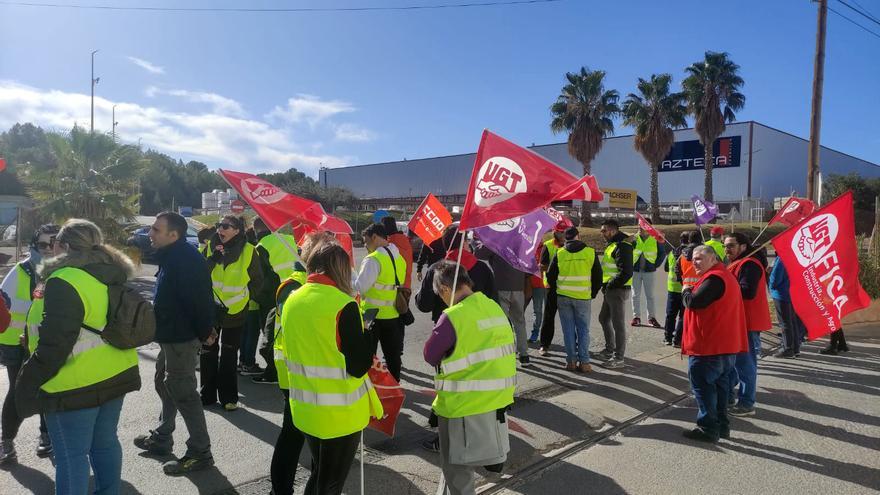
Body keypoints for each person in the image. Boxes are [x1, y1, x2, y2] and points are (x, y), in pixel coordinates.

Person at [16, 219, 141, 494]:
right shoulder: (110, 272)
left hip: (73, 383)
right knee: (105, 443)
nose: (50, 248)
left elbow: (55, 344)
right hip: (116, 373)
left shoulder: (64, 279)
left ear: (63, 246)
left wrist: (27, 382)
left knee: (71, 456)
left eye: (53, 243)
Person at [282, 237, 381, 495]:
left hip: (304, 407)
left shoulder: (292, 298)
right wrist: (367, 335)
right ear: (341, 269)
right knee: (331, 482)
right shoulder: (343, 305)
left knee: (320, 475)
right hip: (339, 414)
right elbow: (359, 366)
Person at [133, 212, 216, 475]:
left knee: (183, 390)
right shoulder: (170, 256)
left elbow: (200, 300)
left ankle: (200, 452)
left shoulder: (186, 259)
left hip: (182, 337)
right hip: (169, 335)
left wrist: (205, 332)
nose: (150, 234)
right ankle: (162, 437)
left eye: (156, 230)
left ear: (174, 235)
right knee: (165, 383)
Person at [424, 261, 515, 495]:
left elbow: (430, 354)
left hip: (461, 407)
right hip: (494, 403)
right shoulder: (492, 306)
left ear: (445, 289)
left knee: (458, 474)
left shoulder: (453, 316)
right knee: (456, 472)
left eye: (439, 294)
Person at [268, 233, 324, 495]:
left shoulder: (317, 284)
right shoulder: (293, 286)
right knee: (292, 434)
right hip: (294, 372)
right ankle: (281, 489)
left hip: (311, 371)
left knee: (310, 434)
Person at [0, 223, 57, 465]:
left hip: (48, 344)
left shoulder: (65, 270)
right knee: (17, 392)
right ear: (34, 246)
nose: (48, 249)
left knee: (49, 390)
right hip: (17, 344)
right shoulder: (21, 271)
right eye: (43, 244)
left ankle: (46, 436)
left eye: (54, 243)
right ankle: (7, 442)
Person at [680, 245, 748, 443]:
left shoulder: (715, 278)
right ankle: (722, 426)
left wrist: (686, 291)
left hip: (709, 347)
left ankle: (708, 428)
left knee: (704, 387)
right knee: (720, 389)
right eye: (693, 258)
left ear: (713, 259)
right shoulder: (723, 276)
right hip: (723, 346)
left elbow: (695, 302)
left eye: (700, 258)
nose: (695, 262)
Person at [202, 215, 263, 411]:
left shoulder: (249, 251)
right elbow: (198, 273)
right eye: (219, 225)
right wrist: (213, 259)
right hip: (210, 310)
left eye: (226, 226)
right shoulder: (210, 247)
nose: (221, 229)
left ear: (237, 230)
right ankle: (207, 394)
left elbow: (258, 281)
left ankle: (229, 398)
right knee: (208, 352)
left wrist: (245, 298)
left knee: (229, 355)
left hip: (235, 312)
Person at [724, 233, 772, 417]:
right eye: (725, 246)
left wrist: (723, 288)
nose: (726, 250)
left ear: (743, 246)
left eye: (730, 246)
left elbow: (747, 291)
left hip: (747, 321)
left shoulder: (750, 264)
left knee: (745, 363)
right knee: (734, 362)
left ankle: (746, 403)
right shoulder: (742, 262)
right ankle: (729, 395)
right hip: (739, 320)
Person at [249, 218, 299, 383]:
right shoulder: (290, 240)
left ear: (256, 231)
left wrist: (259, 298)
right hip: (297, 291)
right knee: (291, 334)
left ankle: (273, 372)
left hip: (273, 297)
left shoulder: (261, 247)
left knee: (271, 335)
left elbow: (260, 278)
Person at [546, 227, 602, 372]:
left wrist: (558, 288)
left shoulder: (560, 253)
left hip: (563, 297)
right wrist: (593, 293)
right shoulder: (590, 252)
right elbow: (598, 277)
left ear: (566, 238)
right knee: (583, 330)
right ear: (578, 236)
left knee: (568, 331)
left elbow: (550, 276)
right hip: (583, 297)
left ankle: (570, 361)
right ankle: (584, 363)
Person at [356, 223, 407, 381]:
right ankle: (394, 389)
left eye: (366, 241)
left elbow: (360, 287)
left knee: (367, 356)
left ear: (375, 237)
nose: (365, 245)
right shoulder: (400, 258)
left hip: (371, 316)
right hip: (392, 314)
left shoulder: (373, 259)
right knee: (392, 356)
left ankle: (370, 389)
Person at [416, 226, 496, 324]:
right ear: (464, 243)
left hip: (445, 328)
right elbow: (493, 301)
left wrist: (419, 294)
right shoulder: (482, 268)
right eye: (467, 241)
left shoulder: (435, 269)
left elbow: (424, 306)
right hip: (477, 327)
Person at [476, 241, 531, 367]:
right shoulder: (521, 242)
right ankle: (524, 355)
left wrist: (484, 239)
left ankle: (505, 354)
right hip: (518, 286)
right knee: (519, 321)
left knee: (502, 324)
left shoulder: (497, 241)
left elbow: (478, 253)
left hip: (501, 287)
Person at [596, 219, 633, 369]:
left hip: (617, 289)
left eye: (604, 230)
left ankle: (619, 358)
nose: (602, 233)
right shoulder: (613, 245)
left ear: (612, 230)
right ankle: (609, 349)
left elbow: (626, 272)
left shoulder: (622, 246)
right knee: (603, 318)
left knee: (618, 324)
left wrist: (610, 285)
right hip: (611, 289)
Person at [538, 223, 567, 356]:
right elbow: (542, 266)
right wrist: (553, 268)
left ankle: (573, 346)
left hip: (568, 286)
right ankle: (544, 345)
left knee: (569, 317)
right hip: (551, 285)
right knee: (549, 316)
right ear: (555, 232)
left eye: (563, 232)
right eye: (559, 232)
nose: (561, 235)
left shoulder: (571, 245)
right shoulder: (548, 245)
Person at [630, 219, 665, 327]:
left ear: (648, 227)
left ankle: (651, 318)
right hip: (635, 270)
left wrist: (655, 265)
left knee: (650, 295)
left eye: (642, 227)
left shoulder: (655, 238)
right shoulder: (633, 238)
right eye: (639, 227)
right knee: (635, 295)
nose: (640, 229)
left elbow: (662, 253)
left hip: (649, 271)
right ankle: (636, 317)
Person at [382, 216, 416, 326]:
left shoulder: (390, 244)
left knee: (393, 323)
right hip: (406, 284)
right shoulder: (405, 241)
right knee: (401, 315)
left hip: (394, 287)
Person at [768, 258, 804, 359]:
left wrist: (771, 287)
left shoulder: (782, 258)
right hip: (790, 292)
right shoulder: (793, 256)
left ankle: (788, 348)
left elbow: (775, 278)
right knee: (792, 321)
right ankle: (795, 348)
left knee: (785, 322)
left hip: (781, 294)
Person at [673, 231, 703, 347]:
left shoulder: (682, 254)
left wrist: (684, 282)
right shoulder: (703, 253)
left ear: (689, 240)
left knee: (684, 315)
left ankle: (677, 340)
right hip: (701, 287)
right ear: (700, 240)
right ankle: (694, 340)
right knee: (698, 317)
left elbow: (677, 269)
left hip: (686, 287)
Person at [663, 232, 690, 346]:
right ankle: (677, 340)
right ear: (689, 241)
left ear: (680, 240)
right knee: (682, 316)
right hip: (685, 288)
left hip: (672, 288)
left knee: (670, 315)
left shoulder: (671, 252)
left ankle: (668, 338)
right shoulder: (690, 253)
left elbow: (665, 268)